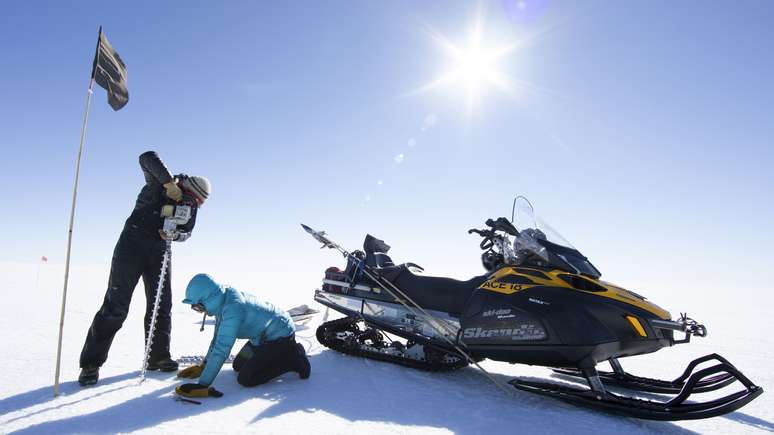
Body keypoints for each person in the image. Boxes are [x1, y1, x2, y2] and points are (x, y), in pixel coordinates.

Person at [78, 151, 211, 386]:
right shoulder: (158, 184)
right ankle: (91, 364)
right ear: (185, 187)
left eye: (196, 203)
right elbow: (147, 157)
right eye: (190, 198)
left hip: (160, 249)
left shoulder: (191, 205)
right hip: (132, 244)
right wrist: (168, 184)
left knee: (161, 305)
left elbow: (187, 232)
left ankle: (158, 357)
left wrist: (175, 235)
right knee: (116, 306)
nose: (191, 205)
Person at [175, 274, 310, 398]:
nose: (200, 311)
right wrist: (204, 366)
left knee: (247, 378)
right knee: (238, 365)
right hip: (260, 337)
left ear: (209, 298)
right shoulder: (222, 302)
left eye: (198, 307)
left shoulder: (233, 310)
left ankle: (293, 359)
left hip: (280, 336)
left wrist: (203, 384)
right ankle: (280, 353)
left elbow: (222, 348)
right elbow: (216, 339)